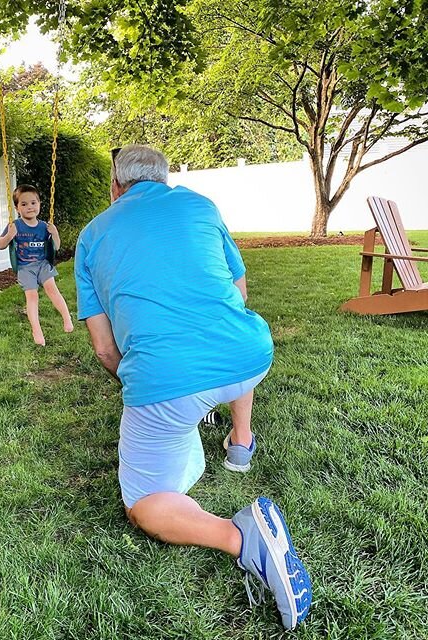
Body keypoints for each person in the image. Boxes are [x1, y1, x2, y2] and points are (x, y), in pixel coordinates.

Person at [74, 145, 312, 629]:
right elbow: (238, 294)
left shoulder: (92, 235)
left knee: (145, 504)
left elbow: (103, 349)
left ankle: (241, 538)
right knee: (224, 341)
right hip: (250, 355)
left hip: (168, 382)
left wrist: (149, 384)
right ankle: (240, 441)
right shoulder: (201, 205)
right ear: (163, 181)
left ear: (116, 186)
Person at [0, 184, 74, 346]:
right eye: (24, 204)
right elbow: (0, 245)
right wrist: (9, 236)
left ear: (39, 204)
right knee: (32, 296)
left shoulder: (44, 227)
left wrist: (55, 234)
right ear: (17, 208)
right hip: (25, 267)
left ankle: (67, 319)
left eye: (33, 203)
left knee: (53, 290)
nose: (29, 207)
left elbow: (56, 246)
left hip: (43, 265)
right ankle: (36, 329)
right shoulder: (15, 226)